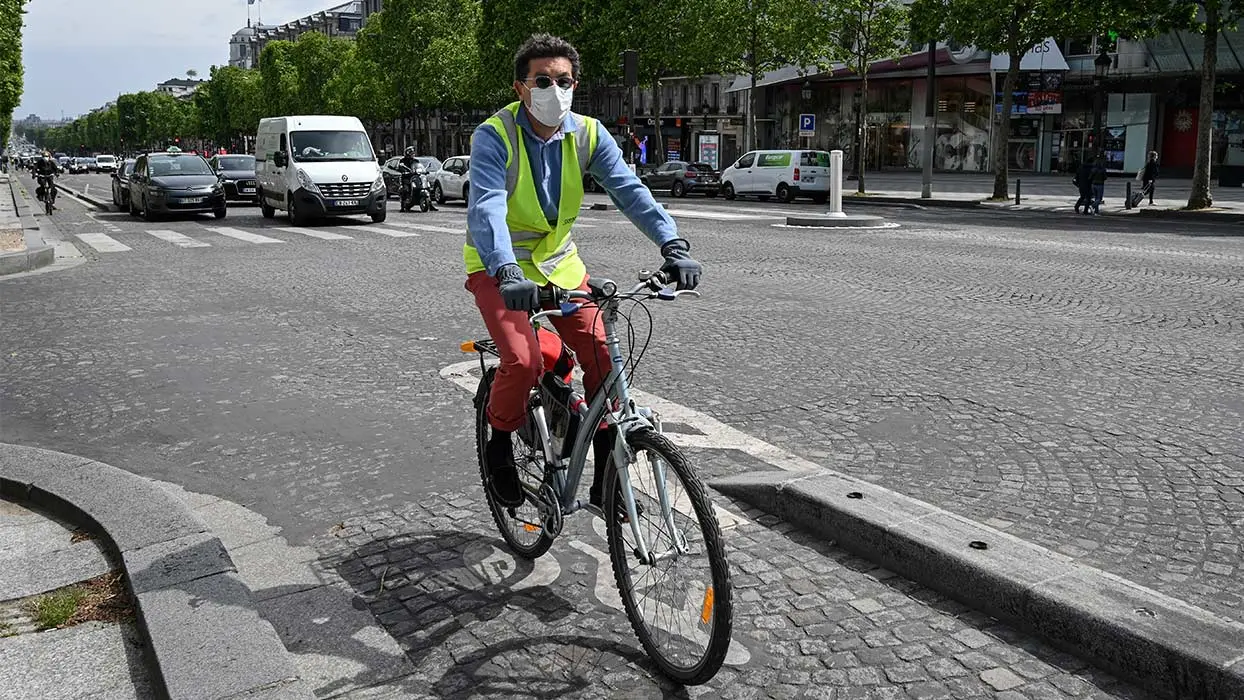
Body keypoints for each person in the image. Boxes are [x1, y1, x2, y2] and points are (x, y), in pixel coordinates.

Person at [466, 33, 702, 508]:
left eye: (564, 80)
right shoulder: (495, 135)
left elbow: (629, 189)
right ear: (521, 88)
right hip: (500, 265)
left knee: (602, 357)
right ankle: (498, 444)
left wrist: (671, 242)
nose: (555, 89)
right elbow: (487, 207)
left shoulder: (589, 134)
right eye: (543, 80)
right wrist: (507, 270)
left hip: (558, 262)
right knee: (522, 359)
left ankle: (602, 477)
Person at [400, 146, 437, 211]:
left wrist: (424, 171)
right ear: (407, 153)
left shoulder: (416, 160)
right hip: (407, 177)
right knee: (405, 189)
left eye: (413, 153)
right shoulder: (403, 161)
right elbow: (400, 167)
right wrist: (405, 171)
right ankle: (403, 206)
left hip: (416, 177)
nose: (413, 154)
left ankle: (430, 205)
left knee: (427, 187)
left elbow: (418, 167)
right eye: (411, 153)